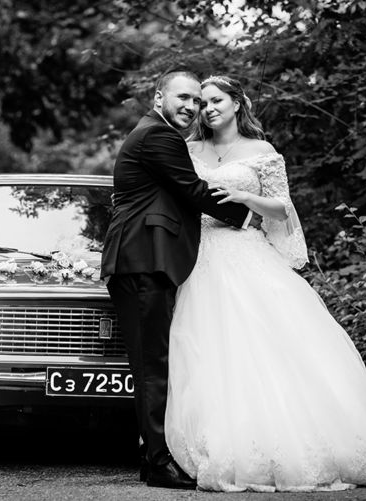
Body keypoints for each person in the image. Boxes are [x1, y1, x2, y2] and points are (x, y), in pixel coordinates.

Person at [164, 74, 366, 492]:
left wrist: (248, 199)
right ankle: (216, 442)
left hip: (246, 253)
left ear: (237, 103)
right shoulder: (188, 148)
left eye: (216, 100)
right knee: (206, 352)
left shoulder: (261, 151)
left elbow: (282, 209)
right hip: (198, 257)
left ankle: (287, 444)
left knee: (270, 349)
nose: (208, 108)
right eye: (203, 102)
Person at [100, 71, 258, 490]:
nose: (191, 106)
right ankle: (158, 463)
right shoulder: (159, 136)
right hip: (142, 260)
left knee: (153, 362)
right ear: (159, 98)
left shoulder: (153, 133)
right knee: (152, 365)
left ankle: (151, 456)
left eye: (196, 100)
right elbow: (193, 190)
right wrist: (247, 217)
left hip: (144, 260)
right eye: (182, 97)